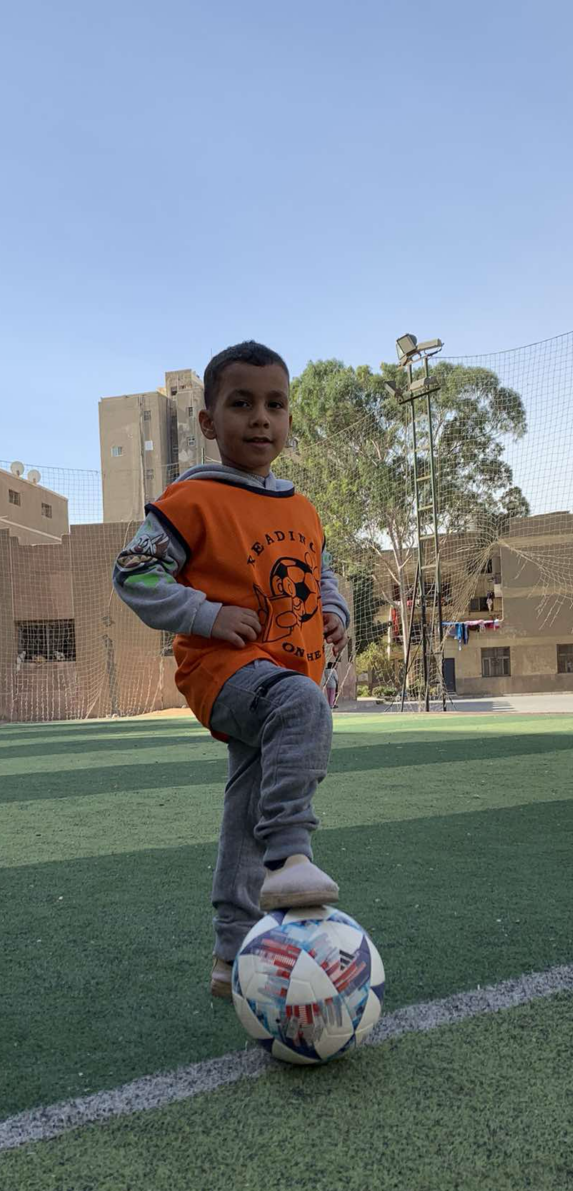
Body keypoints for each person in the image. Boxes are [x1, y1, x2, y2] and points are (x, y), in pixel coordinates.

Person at [113, 341, 349, 1001]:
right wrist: (207, 613)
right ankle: (290, 855)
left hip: (283, 666)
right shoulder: (193, 497)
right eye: (240, 403)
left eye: (275, 404)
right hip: (224, 671)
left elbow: (322, 569)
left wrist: (334, 611)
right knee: (303, 706)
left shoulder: (301, 506)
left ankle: (231, 952)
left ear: (290, 419)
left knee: (245, 804)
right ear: (208, 421)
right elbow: (132, 572)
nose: (260, 418)